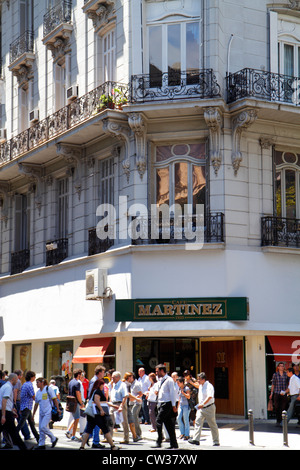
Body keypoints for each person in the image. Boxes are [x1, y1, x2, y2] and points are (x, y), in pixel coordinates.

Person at [79, 379, 119, 450]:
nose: (103, 386)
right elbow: (96, 400)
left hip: (92, 415)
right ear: (99, 385)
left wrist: (113, 406)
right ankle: (113, 446)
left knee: (88, 430)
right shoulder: (98, 391)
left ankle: (82, 446)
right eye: (102, 385)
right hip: (97, 415)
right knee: (105, 429)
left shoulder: (94, 391)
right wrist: (101, 410)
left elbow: (104, 402)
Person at [188, 372, 220, 446]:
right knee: (198, 422)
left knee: (212, 424)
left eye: (199, 379)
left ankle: (216, 441)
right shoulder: (201, 385)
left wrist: (203, 404)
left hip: (209, 407)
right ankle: (196, 439)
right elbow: (196, 385)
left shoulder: (209, 386)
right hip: (201, 408)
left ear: (203, 379)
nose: (198, 381)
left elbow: (210, 396)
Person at [152, 364, 178, 450]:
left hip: (167, 404)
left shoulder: (169, 380)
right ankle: (174, 444)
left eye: (157, 371)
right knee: (169, 425)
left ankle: (159, 441)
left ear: (162, 371)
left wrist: (174, 405)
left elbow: (172, 393)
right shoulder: (160, 380)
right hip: (161, 403)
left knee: (158, 421)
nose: (156, 373)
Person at [0, 373, 28, 450]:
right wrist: (3, 415)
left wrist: (12, 410)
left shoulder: (4, 386)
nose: (17, 381)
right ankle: (24, 448)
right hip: (5, 413)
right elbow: (4, 401)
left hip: (6, 411)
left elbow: (5, 401)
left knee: (13, 433)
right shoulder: (8, 387)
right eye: (16, 379)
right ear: (13, 379)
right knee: (14, 433)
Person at [33, 378, 60, 449]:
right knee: (41, 429)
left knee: (43, 427)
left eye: (37, 382)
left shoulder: (48, 389)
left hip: (48, 412)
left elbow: (55, 399)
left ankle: (53, 438)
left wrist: (57, 409)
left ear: (42, 382)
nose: (36, 384)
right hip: (41, 413)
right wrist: (33, 414)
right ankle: (41, 445)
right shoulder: (38, 392)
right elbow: (36, 404)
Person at [83, 365, 106, 448]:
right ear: (99, 372)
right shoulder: (95, 381)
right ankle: (95, 442)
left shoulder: (95, 380)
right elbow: (92, 393)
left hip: (95, 403)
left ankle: (87, 438)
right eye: (103, 372)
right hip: (95, 404)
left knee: (92, 423)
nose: (104, 374)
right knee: (96, 424)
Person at [16, 370, 39, 444]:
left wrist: (20, 407)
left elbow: (22, 397)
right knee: (21, 424)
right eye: (34, 376)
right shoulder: (29, 385)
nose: (35, 378)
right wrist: (40, 400)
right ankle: (14, 437)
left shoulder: (24, 384)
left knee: (31, 423)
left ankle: (38, 438)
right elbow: (33, 396)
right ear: (31, 377)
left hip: (25, 407)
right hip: (27, 407)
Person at [109, 371, 129, 444]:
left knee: (124, 421)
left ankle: (126, 438)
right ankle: (109, 437)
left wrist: (121, 406)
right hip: (113, 404)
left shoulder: (122, 385)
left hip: (120, 404)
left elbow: (125, 396)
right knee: (110, 421)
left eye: (113, 377)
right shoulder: (113, 384)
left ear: (118, 377)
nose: (112, 378)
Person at [67, 369, 85, 442]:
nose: (81, 376)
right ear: (78, 375)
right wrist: (81, 403)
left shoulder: (71, 382)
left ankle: (69, 431)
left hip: (70, 402)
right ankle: (73, 435)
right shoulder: (77, 383)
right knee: (77, 418)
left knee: (75, 418)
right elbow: (78, 394)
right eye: (81, 374)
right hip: (75, 403)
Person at [269, 362, 289, 426]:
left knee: (283, 407)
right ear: (278, 367)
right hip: (277, 393)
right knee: (277, 407)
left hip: (284, 393)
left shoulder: (286, 374)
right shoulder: (275, 374)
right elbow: (273, 385)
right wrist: (271, 393)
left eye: (283, 366)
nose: (282, 367)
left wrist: (287, 392)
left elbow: (289, 384)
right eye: (280, 366)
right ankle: (278, 420)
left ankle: (283, 421)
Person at [126, 372, 143, 441]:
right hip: (132, 403)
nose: (128, 379)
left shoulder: (137, 384)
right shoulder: (131, 384)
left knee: (133, 417)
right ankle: (136, 433)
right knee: (133, 418)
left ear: (132, 376)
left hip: (137, 403)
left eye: (128, 378)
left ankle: (138, 433)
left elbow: (141, 393)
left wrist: (135, 398)